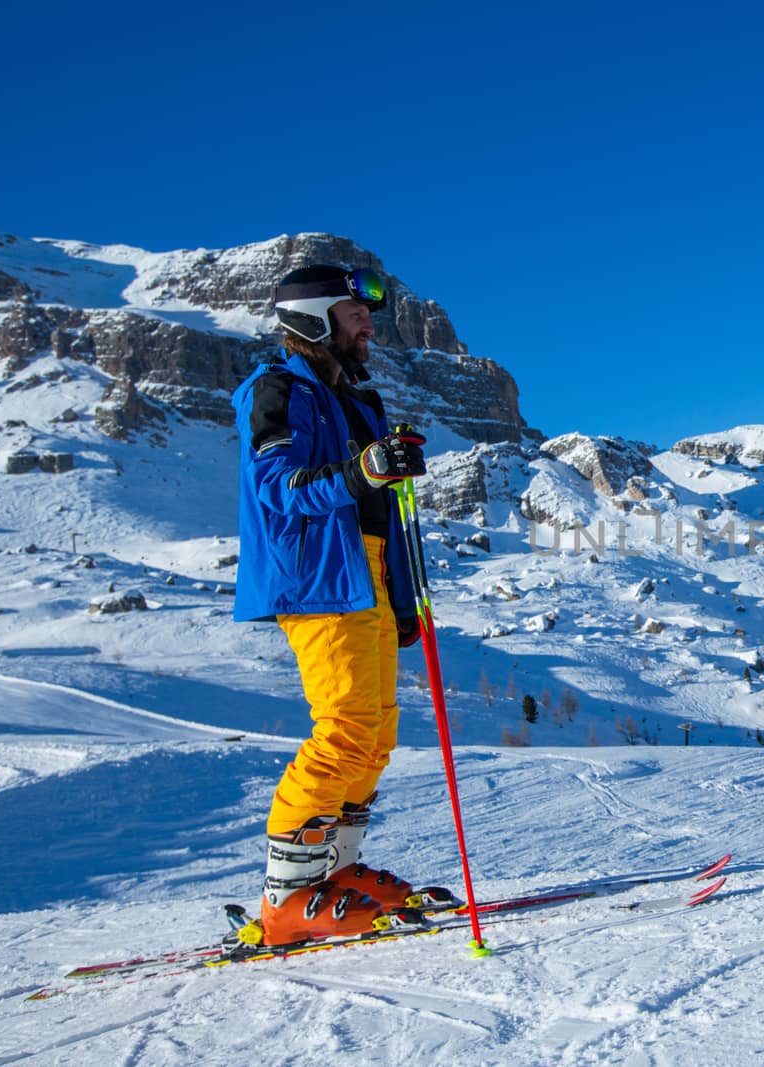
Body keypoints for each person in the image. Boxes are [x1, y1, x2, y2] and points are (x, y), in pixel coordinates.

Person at [231, 264, 429, 945]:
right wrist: (364, 469)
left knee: (375, 733)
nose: (368, 324)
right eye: (353, 313)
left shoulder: (359, 399)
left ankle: (331, 873)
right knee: (343, 726)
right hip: (318, 579)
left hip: (367, 576)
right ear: (315, 319)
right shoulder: (277, 390)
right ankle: (287, 895)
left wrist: (402, 598)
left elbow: (381, 508)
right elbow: (279, 487)